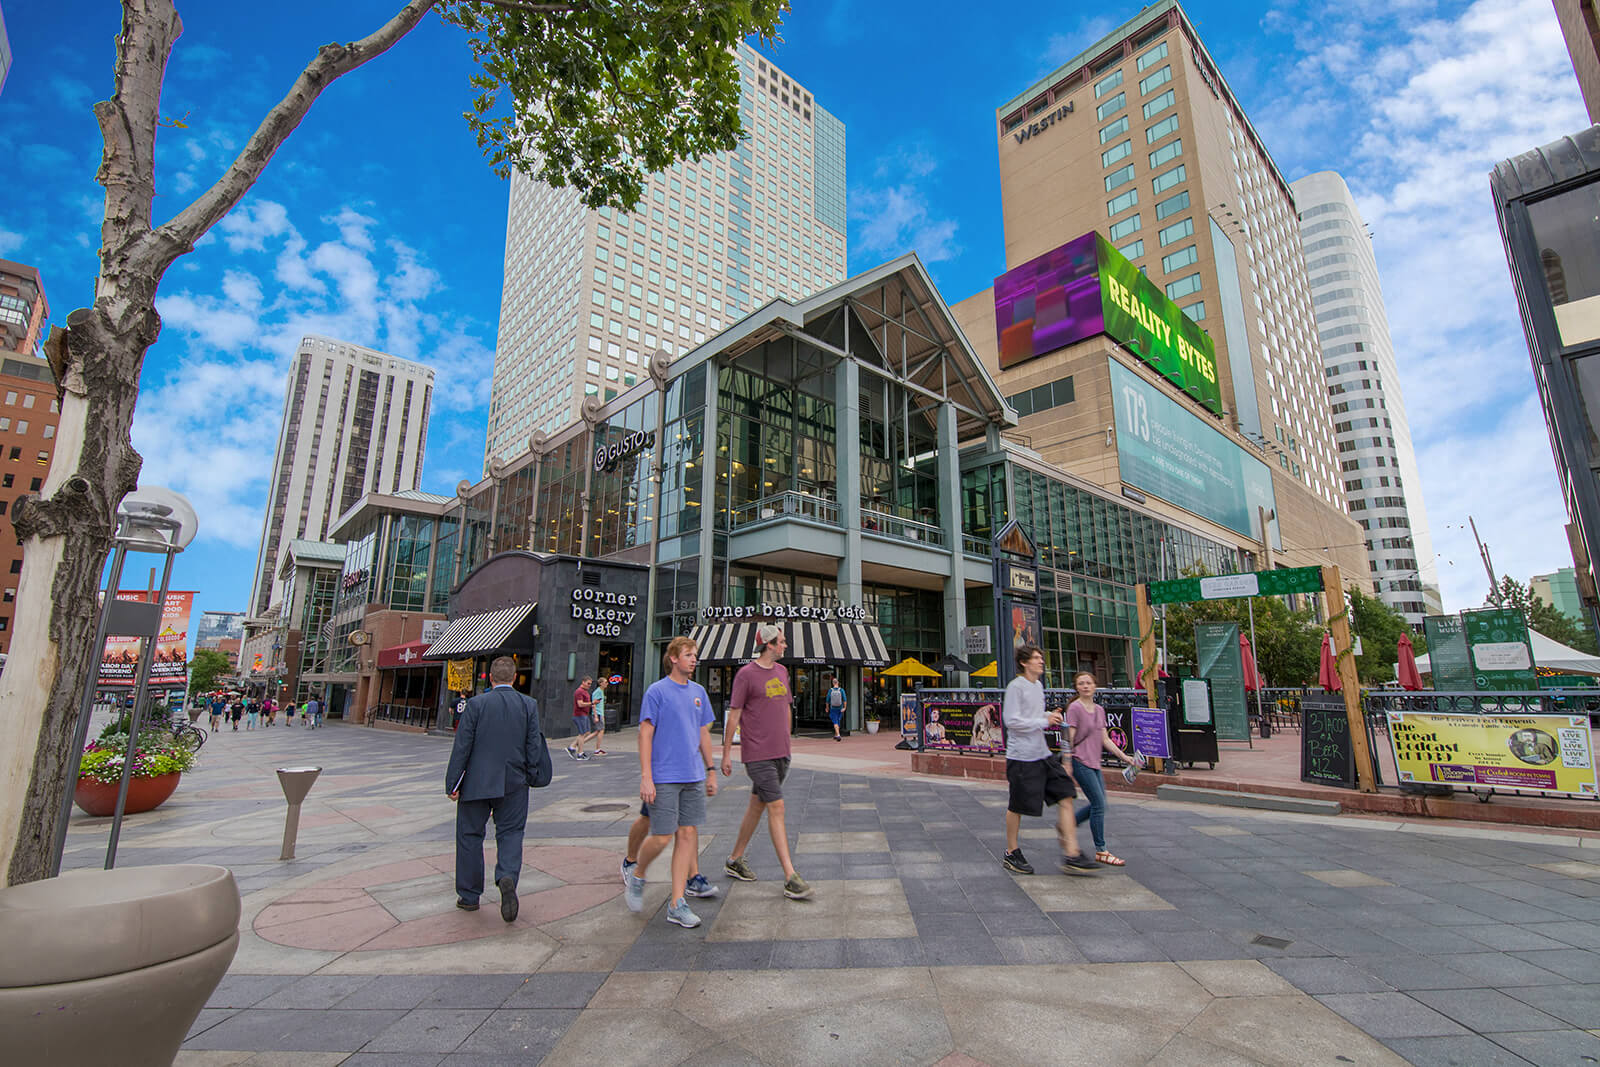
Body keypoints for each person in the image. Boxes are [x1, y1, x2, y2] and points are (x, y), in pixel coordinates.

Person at [445, 655, 553, 919]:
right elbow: (533, 745)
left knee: (470, 835)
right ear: (514, 678)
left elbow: (462, 746)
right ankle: (506, 876)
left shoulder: (475, 704)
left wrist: (453, 783)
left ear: (491, 678)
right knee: (511, 833)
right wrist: (530, 775)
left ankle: (469, 896)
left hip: (475, 782)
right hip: (514, 782)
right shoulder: (528, 705)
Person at [624, 637, 720, 927]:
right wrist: (646, 776)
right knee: (663, 836)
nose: (694, 659)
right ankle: (639, 874)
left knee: (688, 836)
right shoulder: (657, 691)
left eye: (696, 655)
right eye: (689, 654)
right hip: (664, 775)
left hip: (693, 774)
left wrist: (711, 769)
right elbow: (645, 734)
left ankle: (677, 902)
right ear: (674, 658)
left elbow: (703, 732)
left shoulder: (699, 692)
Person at [721, 623, 812, 900]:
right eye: (782, 642)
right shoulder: (746, 675)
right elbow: (734, 715)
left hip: (781, 752)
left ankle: (735, 859)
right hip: (757, 753)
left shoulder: (783, 672)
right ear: (769, 644)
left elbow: (785, 707)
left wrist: (787, 741)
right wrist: (726, 753)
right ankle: (790, 877)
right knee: (777, 806)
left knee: (757, 805)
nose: (785, 645)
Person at [1000, 645, 1099, 877]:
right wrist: (1044, 721)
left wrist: (1049, 716)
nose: (1041, 662)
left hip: (1042, 754)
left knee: (1066, 794)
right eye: (1036, 658)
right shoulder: (1016, 687)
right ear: (1024, 663)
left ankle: (1072, 853)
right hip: (1021, 757)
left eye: (1041, 658)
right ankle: (1011, 852)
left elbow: (1033, 716)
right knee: (1017, 805)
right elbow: (1011, 721)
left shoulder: (1038, 686)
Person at [1065, 670, 1140, 867]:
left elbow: (1105, 739)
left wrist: (1126, 758)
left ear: (1095, 686)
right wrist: (1066, 762)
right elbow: (1069, 737)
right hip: (1080, 761)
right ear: (1077, 687)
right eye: (1081, 683)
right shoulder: (1075, 708)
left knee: (1101, 804)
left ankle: (1068, 823)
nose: (1085, 686)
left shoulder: (1099, 710)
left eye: (1088, 682)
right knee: (1098, 804)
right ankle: (1101, 850)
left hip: (1094, 762)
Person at [567, 677, 595, 760]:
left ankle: (572, 747)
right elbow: (580, 704)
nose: (589, 685)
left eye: (590, 684)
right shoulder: (579, 691)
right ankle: (580, 753)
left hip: (584, 714)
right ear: (583, 682)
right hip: (580, 715)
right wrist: (592, 703)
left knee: (586, 732)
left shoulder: (584, 692)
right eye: (588, 683)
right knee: (582, 734)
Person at [590, 677, 609, 756]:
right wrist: (596, 716)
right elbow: (593, 704)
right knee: (600, 730)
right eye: (605, 682)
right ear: (600, 683)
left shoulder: (601, 691)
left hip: (600, 713)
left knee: (599, 731)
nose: (607, 683)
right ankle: (597, 749)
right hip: (598, 713)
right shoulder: (597, 692)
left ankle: (597, 748)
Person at [825, 674, 846, 741]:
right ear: (838, 683)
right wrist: (844, 708)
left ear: (833, 683)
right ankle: (836, 735)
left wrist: (827, 708)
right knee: (838, 721)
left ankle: (838, 735)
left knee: (835, 722)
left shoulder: (830, 690)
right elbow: (845, 700)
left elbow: (827, 701)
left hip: (833, 708)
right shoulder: (841, 690)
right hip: (840, 708)